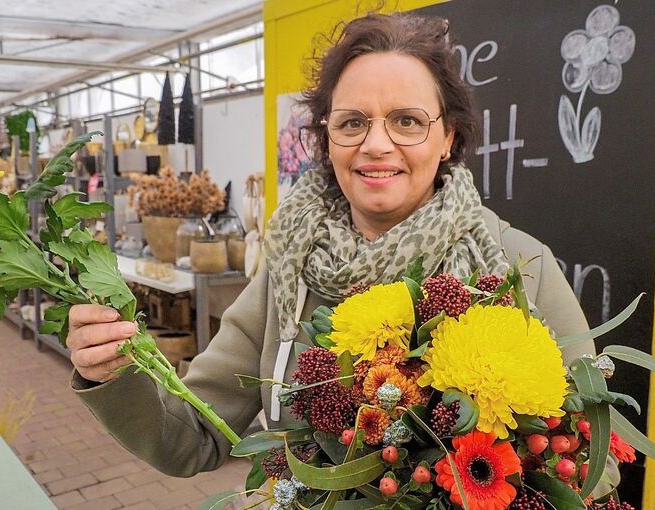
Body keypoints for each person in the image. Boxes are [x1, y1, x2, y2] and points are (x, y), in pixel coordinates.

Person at [67, 12, 595, 478]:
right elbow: (194, 437)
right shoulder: (289, 267)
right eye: (352, 122)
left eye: (407, 121)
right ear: (327, 139)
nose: (376, 143)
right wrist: (115, 374)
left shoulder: (517, 266)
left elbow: (592, 457)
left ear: (449, 137)